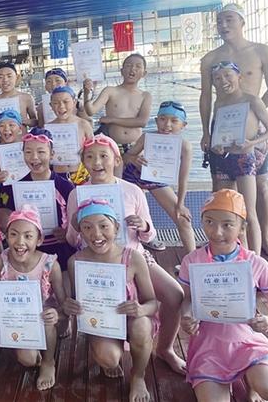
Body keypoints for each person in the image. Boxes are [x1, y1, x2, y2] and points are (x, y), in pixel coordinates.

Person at [66, 134, 186, 374]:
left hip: (135, 258)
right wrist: (76, 227)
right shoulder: (76, 194)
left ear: (117, 159)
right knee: (104, 314)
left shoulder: (132, 190)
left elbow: (150, 237)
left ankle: (165, 349)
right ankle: (105, 339)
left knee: (175, 295)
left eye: (103, 156)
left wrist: (143, 226)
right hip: (97, 265)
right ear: (83, 162)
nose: (97, 162)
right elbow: (72, 241)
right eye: (89, 157)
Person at [179, 189, 268, 402]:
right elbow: (188, 299)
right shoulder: (192, 261)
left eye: (227, 225)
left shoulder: (255, 263)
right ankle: (224, 379)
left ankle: (251, 379)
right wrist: (187, 315)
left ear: (242, 228)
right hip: (209, 344)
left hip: (246, 340)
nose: (217, 232)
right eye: (209, 222)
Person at [199, 3, 268, 258]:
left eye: (229, 19)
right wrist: (205, 132)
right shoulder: (210, 58)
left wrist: (253, 113)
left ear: (242, 22)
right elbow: (205, 97)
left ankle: (266, 238)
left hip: (253, 132)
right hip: (222, 131)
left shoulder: (261, 51)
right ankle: (232, 245)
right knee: (223, 189)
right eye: (219, 21)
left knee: (261, 186)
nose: (223, 25)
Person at [63, 199, 157, 402]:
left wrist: (141, 309)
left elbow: (153, 303)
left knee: (141, 326)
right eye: (87, 227)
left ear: (116, 228)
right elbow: (77, 302)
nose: (96, 234)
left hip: (131, 319)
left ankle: (138, 375)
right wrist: (70, 306)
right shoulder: (76, 262)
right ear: (81, 232)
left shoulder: (133, 258)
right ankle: (104, 352)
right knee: (109, 359)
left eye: (104, 226)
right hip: (102, 323)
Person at [0, 205, 66, 391]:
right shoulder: (2, 262)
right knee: (27, 359)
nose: (20, 242)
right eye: (14, 234)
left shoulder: (49, 265)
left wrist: (57, 314)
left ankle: (49, 362)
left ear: (39, 240)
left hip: (48, 322)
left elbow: (64, 307)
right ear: (6, 236)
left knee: (46, 317)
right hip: (19, 320)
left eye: (28, 236)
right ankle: (34, 354)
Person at [207, 61, 268, 256]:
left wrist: (252, 143)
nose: (223, 81)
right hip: (223, 159)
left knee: (248, 211)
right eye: (217, 78)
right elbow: (219, 132)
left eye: (227, 75)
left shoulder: (252, 100)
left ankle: (256, 258)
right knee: (228, 210)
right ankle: (237, 254)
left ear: (239, 77)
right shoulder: (218, 103)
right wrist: (216, 145)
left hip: (244, 159)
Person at [0, 128, 76, 270]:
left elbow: (76, 223)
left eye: (41, 152)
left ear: (52, 154)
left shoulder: (65, 187)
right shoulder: (12, 186)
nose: (34, 157)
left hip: (58, 250)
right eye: (28, 152)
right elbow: (1, 217)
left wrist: (67, 234)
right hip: (24, 251)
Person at [123, 101, 195, 254]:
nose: (167, 125)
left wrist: (180, 204)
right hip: (132, 176)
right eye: (162, 119)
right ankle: (140, 242)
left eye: (174, 121)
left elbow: (183, 178)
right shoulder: (147, 137)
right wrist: (134, 159)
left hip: (155, 179)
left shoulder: (185, 147)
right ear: (156, 121)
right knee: (129, 217)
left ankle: (193, 261)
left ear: (183, 125)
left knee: (183, 220)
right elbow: (125, 157)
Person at [82, 53, 153, 170]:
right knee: (115, 177)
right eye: (128, 65)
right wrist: (86, 93)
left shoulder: (145, 96)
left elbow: (142, 122)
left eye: (138, 66)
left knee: (138, 176)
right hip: (113, 144)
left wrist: (112, 120)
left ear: (144, 73)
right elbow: (91, 110)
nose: (132, 69)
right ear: (122, 71)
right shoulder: (110, 91)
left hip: (136, 147)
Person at [47, 85, 94, 184]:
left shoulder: (83, 124)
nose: (61, 106)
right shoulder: (48, 128)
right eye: (56, 103)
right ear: (51, 105)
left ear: (74, 102)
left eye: (66, 102)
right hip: (58, 174)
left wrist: (86, 151)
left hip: (81, 174)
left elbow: (94, 149)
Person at [0, 109, 26, 227]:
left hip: (26, 187)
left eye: (11, 125)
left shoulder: (28, 146)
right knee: (3, 224)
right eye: (2, 126)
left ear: (20, 129)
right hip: (7, 190)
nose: (6, 129)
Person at [0, 62, 37, 129]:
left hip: (22, 135)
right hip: (3, 136)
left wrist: (25, 121)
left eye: (9, 76)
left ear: (17, 77)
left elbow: (35, 122)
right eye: (0, 77)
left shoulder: (26, 98)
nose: (5, 80)